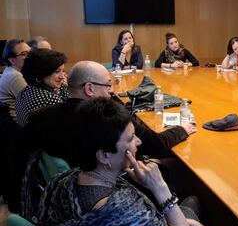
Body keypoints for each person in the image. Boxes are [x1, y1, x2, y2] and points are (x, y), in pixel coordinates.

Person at [37, 97, 215, 226]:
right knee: (195, 202)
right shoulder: (118, 210)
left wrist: (189, 223)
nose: (138, 142)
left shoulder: (63, 181)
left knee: (190, 209)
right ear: (104, 156)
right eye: (130, 139)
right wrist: (160, 188)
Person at [24, 61, 196, 167]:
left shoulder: (40, 116)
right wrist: (182, 129)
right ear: (89, 88)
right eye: (107, 86)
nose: (111, 91)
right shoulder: (108, 117)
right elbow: (155, 145)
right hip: (111, 189)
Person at [15, 49, 68, 126]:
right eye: (57, 71)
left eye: (63, 71)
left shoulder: (25, 90)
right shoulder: (49, 99)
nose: (62, 76)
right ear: (40, 74)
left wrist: (63, 86)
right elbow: (68, 121)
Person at [0, 39, 30, 120]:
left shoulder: (11, 71)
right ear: (12, 60)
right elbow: (32, 102)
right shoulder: (14, 76)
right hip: (21, 126)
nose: (30, 57)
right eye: (25, 54)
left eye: (31, 52)